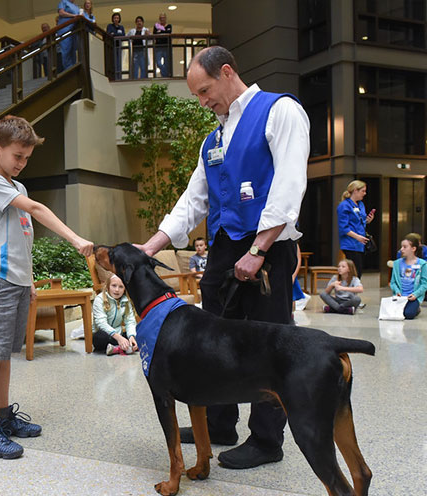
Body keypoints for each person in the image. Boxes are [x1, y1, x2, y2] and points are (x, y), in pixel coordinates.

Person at [135, 46, 310, 470]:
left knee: (269, 343)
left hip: (265, 246)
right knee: (213, 341)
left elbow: (289, 186)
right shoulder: (212, 139)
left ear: (228, 72)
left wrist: (258, 250)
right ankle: (219, 423)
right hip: (224, 248)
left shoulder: (280, 111)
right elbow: (192, 202)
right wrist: (151, 247)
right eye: (197, 95)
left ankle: (267, 440)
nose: (203, 101)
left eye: (205, 90)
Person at [0, 115, 93, 459]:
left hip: (17, 281)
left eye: (27, 157)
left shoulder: (17, 186)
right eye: (17, 156)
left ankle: (3, 415)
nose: (22, 163)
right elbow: (37, 211)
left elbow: (23, 239)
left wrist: (29, 283)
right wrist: (74, 238)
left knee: (5, 353)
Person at [337, 180, 374, 279]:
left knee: (358, 270)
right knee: (355, 271)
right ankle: (348, 290)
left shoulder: (360, 204)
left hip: (360, 243)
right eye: (363, 191)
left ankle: (351, 290)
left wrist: (368, 220)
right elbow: (343, 227)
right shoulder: (344, 206)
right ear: (355, 191)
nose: (364, 194)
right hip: (350, 243)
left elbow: (360, 222)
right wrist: (358, 237)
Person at [92, 274, 137, 356]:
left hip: (119, 333)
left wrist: (131, 336)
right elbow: (101, 322)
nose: (117, 290)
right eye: (114, 286)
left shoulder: (126, 301)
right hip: (105, 334)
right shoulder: (99, 299)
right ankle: (124, 347)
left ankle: (118, 348)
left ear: (125, 289)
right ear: (108, 286)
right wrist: (118, 338)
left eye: (121, 287)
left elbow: (130, 321)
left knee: (139, 331)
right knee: (100, 337)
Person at [390, 236, 427, 320]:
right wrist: (397, 291)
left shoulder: (422, 264)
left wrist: (415, 294)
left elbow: (424, 284)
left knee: (408, 314)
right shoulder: (396, 263)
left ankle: (416, 308)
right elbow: (393, 282)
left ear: (413, 248)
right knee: (395, 313)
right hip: (400, 296)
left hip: (413, 296)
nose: (401, 249)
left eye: (405, 247)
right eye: (401, 247)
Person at [56, 0, 80, 70]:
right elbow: (61, 13)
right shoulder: (64, 2)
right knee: (66, 50)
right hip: (65, 29)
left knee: (73, 50)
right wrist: (73, 16)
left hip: (74, 30)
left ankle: (73, 67)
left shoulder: (76, 6)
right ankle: (68, 68)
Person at [106, 12, 125, 80]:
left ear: (119, 19)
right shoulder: (110, 26)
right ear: (112, 19)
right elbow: (109, 34)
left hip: (119, 47)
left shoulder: (121, 27)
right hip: (112, 47)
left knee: (119, 62)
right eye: (115, 18)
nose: (116, 19)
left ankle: (119, 77)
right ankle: (113, 77)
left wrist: (114, 34)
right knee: (113, 62)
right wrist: (117, 34)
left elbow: (123, 36)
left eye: (117, 18)